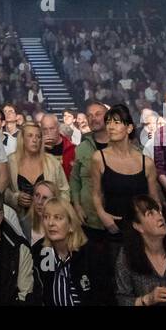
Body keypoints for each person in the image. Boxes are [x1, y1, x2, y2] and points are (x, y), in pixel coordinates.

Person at [89, 104, 162, 235]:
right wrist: (102, 215)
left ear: (129, 128)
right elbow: (96, 193)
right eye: (108, 123)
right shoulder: (99, 158)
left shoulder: (146, 163)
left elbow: (154, 199)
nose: (110, 127)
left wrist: (157, 222)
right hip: (114, 228)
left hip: (143, 230)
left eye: (116, 122)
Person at [31, 196, 108, 306]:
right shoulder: (38, 252)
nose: (50, 223)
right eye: (46, 217)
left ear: (71, 225)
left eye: (58, 218)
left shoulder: (91, 253)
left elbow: (104, 298)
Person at [5, 121, 69, 222]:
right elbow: (3, 191)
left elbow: (65, 191)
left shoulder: (52, 162)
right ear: (22, 139)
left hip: (49, 220)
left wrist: (53, 205)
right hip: (18, 219)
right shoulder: (10, 162)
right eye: (30, 136)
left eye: (38, 136)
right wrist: (15, 198)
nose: (35, 140)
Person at [69, 100, 109, 238]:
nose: (93, 118)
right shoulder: (81, 148)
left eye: (98, 114)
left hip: (117, 218)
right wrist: (77, 206)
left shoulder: (120, 145)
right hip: (89, 220)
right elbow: (74, 181)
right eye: (90, 115)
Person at [20, 179, 60, 245]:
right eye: (37, 195)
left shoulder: (62, 227)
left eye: (45, 198)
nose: (39, 202)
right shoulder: (23, 225)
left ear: (54, 201)